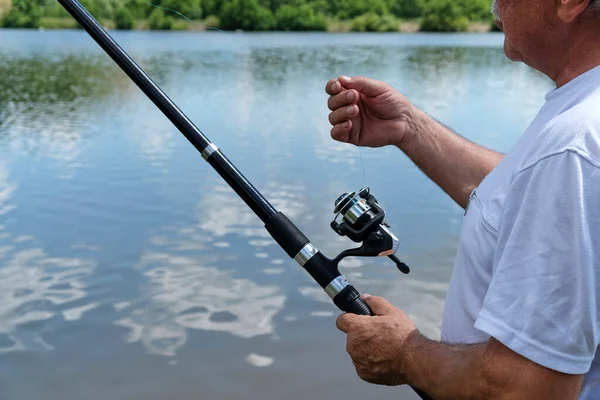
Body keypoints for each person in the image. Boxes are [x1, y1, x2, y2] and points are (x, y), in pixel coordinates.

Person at [327, 0, 600, 398]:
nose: (493, 2)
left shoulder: (572, 145)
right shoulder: (585, 119)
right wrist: (408, 127)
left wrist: (404, 353)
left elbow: (526, 389)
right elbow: (518, 198)